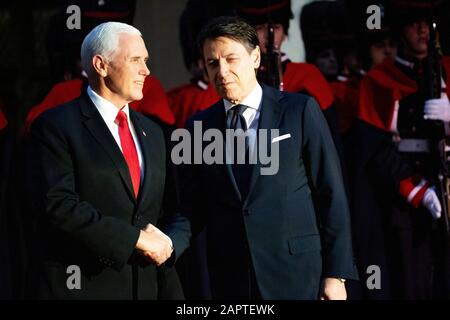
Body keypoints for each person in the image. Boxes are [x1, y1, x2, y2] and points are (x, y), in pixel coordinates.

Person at [166, 16, 357, 300]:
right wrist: (167, 242)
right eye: (213, 63)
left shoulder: (299, 111)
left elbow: (331, 194)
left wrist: (336, 274)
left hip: (299, 275)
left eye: (232, 59)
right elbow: (195, 206)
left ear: (255, 57)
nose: (223, 71)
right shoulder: (199, 127)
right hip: (233, 280)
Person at [25, 22, 182, 299]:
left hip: (146, 288)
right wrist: (136, 240)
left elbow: (170, 209)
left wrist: (169, 242)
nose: (146, 70)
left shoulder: (154, 132)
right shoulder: (55, 126)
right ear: (100, 65)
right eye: (135, 60)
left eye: (145, 61)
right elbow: (59, 207)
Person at [348, 0, 450, 299]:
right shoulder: (378, 80)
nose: (422, 30)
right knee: (410, 279)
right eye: (413, 23)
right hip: (404, 197)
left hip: (447, 183)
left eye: (427, 22)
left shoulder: (447, 69)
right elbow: (376, 151)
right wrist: (420, 191)